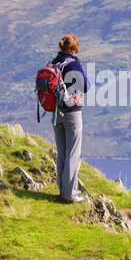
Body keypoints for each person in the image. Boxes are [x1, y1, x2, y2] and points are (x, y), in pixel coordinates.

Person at [51, 34, 90, 204]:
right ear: (74, 49)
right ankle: (69, 195)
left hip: (55, 113)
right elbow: (85, 86)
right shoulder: (73, 64)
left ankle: (63, 191)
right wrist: (79, 66)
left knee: (62, 153)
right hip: (71, 113)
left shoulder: (53, 63)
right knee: (73, 154)